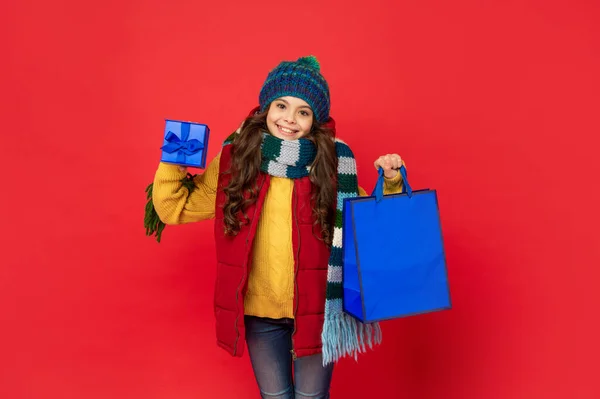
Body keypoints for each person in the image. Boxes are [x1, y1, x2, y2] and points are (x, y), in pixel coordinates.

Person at [149, 56, 406, 399]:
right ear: (266, 106)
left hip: (318, 310)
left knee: (311, 398)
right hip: (262, 313)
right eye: (281, 105)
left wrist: (390, 181)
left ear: (315, 120)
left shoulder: (333, 164)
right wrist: (175, 159)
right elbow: (173, 208)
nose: (289, 118)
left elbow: (373, 227)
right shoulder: (236, 159)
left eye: (303, 111)